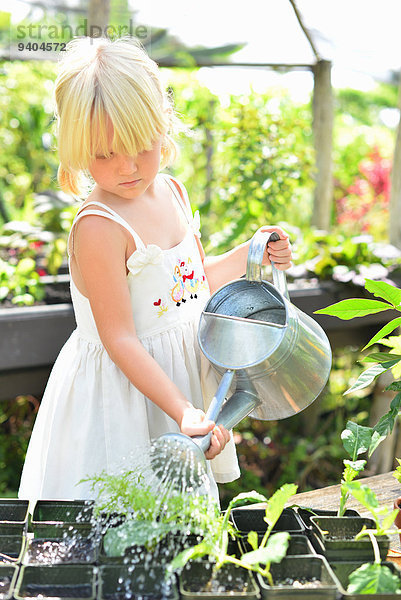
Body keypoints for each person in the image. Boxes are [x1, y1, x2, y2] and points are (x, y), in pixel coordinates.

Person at [18, 36, 292, 501]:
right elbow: (119, 337)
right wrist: (182, 409)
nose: (128, 167)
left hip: (177, 382)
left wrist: (252, 254)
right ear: (78, 148)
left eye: (141, 146)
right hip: (125, 394)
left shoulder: (172, 192)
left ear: (161, 127)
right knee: (119, 510)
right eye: (105, 154)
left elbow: (195, 279)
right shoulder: (99, 227)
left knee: (175, 522)